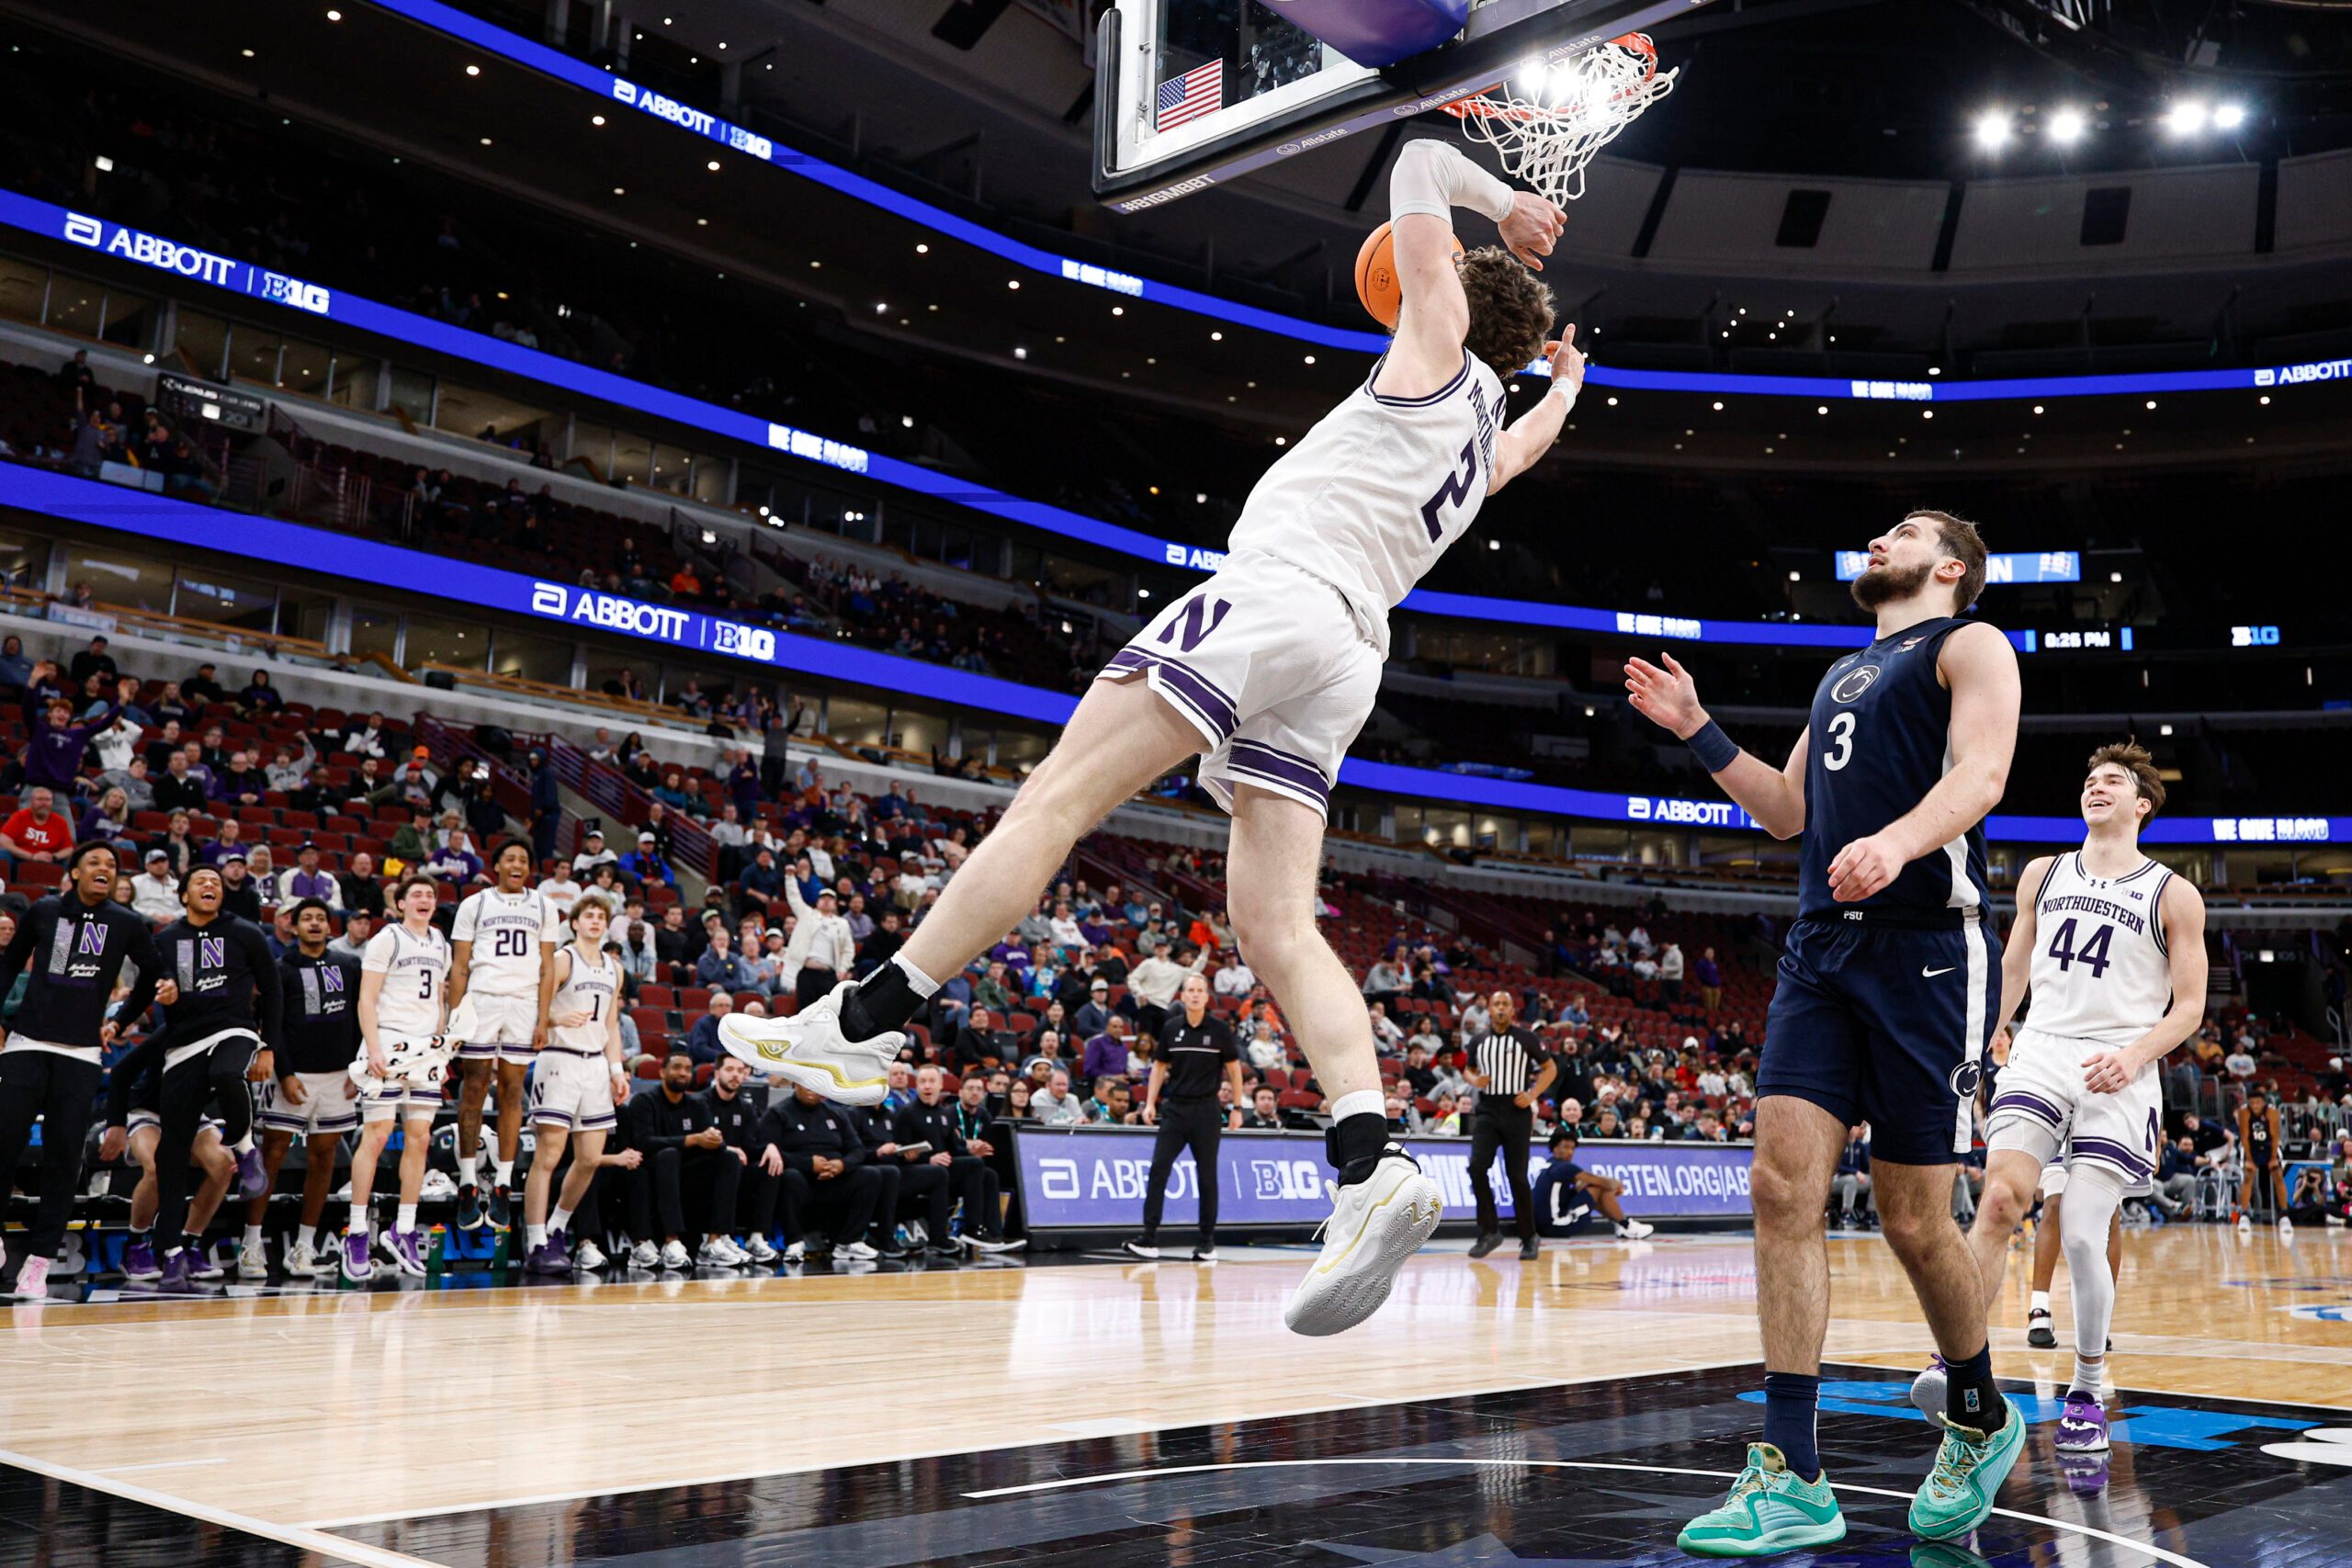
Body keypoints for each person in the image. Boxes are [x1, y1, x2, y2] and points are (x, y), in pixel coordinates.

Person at [720, 136, 1575, 1337]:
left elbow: (1423, 161)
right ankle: (1369, 1156)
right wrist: (1562, 385)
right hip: (1352, 650)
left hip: (1283, 591)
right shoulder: (1485, 436)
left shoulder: (1437, 341)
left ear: (1451, 299)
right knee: (1276, 922)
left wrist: (1503, 208)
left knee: (1056, 798)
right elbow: (1529, 446)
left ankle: (860, 1024)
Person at [1627, 507, 2028, 1552]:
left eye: (1901, 531)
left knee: (1912, 1220)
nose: (1876, 540)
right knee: (1778, 1187)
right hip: (1821, 947)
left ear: (1949, 566)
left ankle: (1978, 1412)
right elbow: (1788, 812)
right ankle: (1792, 1471)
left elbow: (1981, 779)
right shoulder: (1842, 673)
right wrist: (1697, 732)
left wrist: (1895, 844)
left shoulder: (1969, 644)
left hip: (1928, 950)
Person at [1901, 741, 2207, 1472]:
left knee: (2080, 1232)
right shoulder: (2043, 872)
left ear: (2142, 807)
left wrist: (2135, 1055)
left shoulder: (2173, 892)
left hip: (2118, 1062)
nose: (2096, 786)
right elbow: (2013, 968)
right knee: (2001, 1199)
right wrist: (1981, 1040)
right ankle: (1958, 1360)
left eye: (2114, 781)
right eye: (2089, 777)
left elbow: (2190, 1005)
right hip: (2042, 1046)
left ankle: (2088, 1387)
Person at [0, 844, 166, 1298]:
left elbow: (154, 975)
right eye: (95, 863)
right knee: (5, 1141)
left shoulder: (127, 922)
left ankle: (37, 1262)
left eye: (112, 866)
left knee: (62, 1158)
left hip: (81, 1054)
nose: (104, 870)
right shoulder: (45, 910)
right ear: (74, 872)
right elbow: (9, 964)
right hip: (26, 1043)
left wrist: (121, 1020)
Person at [145, 866, 282, 1290]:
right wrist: (164, 992)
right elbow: (159, 987)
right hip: (184, 1042)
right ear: (183, 893)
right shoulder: (165, 939)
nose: (210, 886)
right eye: (201, 882)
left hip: (235, 1029)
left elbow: (273, 989)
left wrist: (268, 1045)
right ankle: (170, 1250)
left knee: (227, 1072)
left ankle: (244, 1148)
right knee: (171, 1152)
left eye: (216, 883)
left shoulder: (245, 932)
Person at [243, 898, 364, 1280]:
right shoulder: (280, 969)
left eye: (320, 919)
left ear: (330, 927)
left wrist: (357, 1068)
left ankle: (304, 1247)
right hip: (292, 1076)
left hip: (339, 1077)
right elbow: (272, 1024)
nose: (314, 924)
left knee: (324, 1160)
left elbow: (363, 1018)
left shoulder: (349, 965)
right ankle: (251, 1244)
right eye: (306, 919)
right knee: (272, 1156)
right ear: (292, 927)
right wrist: (285, 1072)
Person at [447, 840, 560, 1232]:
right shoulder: (474, 904)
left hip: (524, 1001)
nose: (517, 864)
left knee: (513, 1090)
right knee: (474, 1086)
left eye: (524, 860)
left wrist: (543, 1019)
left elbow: (548, 967)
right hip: (482, 998)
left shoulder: (545, 906)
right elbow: (459, 966)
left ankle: (503, 1184)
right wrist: (454, 1017)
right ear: (496, 866)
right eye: (510, 859)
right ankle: (466, 1182)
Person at [347, 875, 456, 1281]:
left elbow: (440, 998)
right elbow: (366, 998)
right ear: (401, 903)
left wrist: (442, 1045)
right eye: (417, 895)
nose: (425, 899)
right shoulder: (387, 938)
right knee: (376, 1134)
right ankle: (357, 1232)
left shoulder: (440, 943)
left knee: (421, 1138)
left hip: (425, 1049)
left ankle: (404, 1229)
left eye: (430, 894)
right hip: (388, 1042)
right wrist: (373, 1047)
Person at [521, 893, 632, 1274]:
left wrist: (617, 1071)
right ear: (575, 922)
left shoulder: (615, 969)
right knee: (549, 1155)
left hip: (596, 1066)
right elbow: (532, 1008)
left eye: (602, 916)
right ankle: (535, 1239)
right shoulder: (563, 959)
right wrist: (555, 1021)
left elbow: (612, 1026)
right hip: (560, 1061)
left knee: (589, 1158)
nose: (596, 921)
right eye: (589, 915)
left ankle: (556, 1228)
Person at [1124, 974, 1244, 1262]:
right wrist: (1150, 1102)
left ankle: (1206, 1242)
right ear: (1182, 995)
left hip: (1206, 1111)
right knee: (1158, 1170)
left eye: (1199, 990)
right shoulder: (1171, 1028)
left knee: (1206, 1178)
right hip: (1175, 1109)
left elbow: (1235, 1070)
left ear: (1206, 997)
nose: (1194, 994)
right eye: (1190, 990)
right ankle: (1149, 1238)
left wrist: (1237, 1108)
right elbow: (1158, 1068)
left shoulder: (1218, 1030)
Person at [626, 1052, 746, 1269]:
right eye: (677, 1067)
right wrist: (691, 1140)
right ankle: (671, 1242)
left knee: (729, 1157)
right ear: (662, 1072)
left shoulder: (697, 1104)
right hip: (650, 1172)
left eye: (688, 1069)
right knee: (669, 1155)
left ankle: (714, 1240)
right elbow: (643, 1143)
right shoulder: (644, 1101)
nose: (683, 1073)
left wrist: (715, 1140)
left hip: (687, 1175)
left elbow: (710, 1137)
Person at [1464, 988, 1555, 1261]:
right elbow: (1468, 1069)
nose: (1501, 1008)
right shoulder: (1478, 1041)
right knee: (1477, 1167)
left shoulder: (1527, 1038)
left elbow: (1550, 1068)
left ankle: (1529, 1237)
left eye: (1505, 1004)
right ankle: (1489, 1232)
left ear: (1513, 1011)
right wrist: (1473, 1080)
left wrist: (1533, 1094)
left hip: (1517, 1110)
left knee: (1517, 1176)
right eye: (1496, 1004)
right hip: (1488, 1110)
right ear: (1489, 1010)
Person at [761, 1081, 887, 1263]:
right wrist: (807, 1164)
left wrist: (842, 1165)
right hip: (802, 1180)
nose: (812, 1088)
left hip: (834, 1178)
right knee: (790, 1177)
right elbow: (768, 1151)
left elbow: (857, 1150)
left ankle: (849, 1241)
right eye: (807, 1083)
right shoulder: (778, 1112)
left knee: (870, 1175)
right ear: (795, 1084)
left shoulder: (836, 1114)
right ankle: (794, 1241)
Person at [1530, 1128, 1651, 1238]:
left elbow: (1578, 1187)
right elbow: (1605, 1183)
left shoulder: (1549, 1165)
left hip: (1541, 1227)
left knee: (1592, 1188)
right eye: (1566, 1147)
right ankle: (1625, 1226)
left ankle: (1622, 1225)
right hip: (1556, 1226)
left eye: (1572, 1148)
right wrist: (1617, 1184)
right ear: (1554, 1148)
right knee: (1598, 1188)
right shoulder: (1565, 1167)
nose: (1570, 1152)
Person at [2240, 1089, 2285, 1231]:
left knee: (2277, 1176)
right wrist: (2249, 1159)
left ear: (2263, 1102)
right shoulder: (2244, 1112)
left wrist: (2272, 1158)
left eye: (2258, 1102)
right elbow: (2245, 1137)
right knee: (2248, 1177)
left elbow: (2275, 1136)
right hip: (2252, 1146)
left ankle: (2284, 1215)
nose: (2255, 1106)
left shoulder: (2272, 1112)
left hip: (2269, 1146)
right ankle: (2245, 1214)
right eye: (2252, 1103)